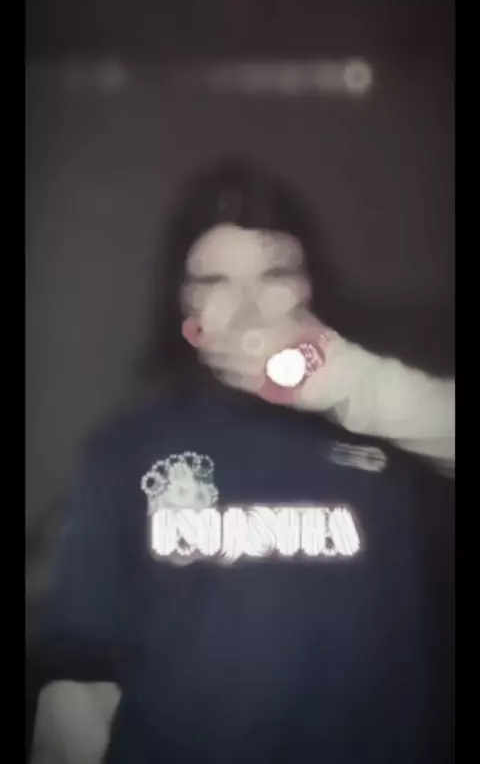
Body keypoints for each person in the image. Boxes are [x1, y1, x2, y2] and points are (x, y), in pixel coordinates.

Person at [31, 159, 454, 764]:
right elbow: (79, 680)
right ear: (184, 304)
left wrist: (348, 381)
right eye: (215, 281)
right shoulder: (125, 449)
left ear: (311, 287)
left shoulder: (395, 434)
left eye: (274, 274)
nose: (249, 307)